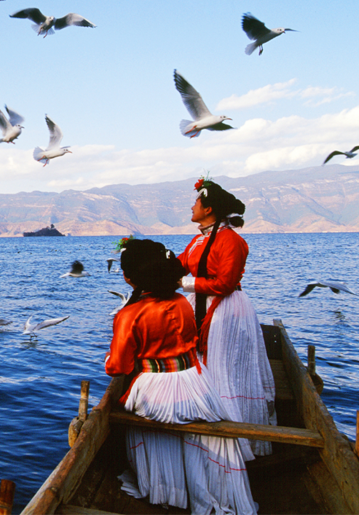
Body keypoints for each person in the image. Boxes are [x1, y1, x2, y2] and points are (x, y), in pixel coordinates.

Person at [106, 238, 256, 513]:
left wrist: (110, 357)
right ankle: (199, 488)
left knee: (135, 416)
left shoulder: (129, 315)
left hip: (156, 387)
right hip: (195, 381)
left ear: (128, 278)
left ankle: (165, 488)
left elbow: (118, 367)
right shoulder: (181, 302)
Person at [179, 177, 275, 458]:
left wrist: (186, 284)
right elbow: (182, 263)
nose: (192, 206)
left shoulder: (231, 240)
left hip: (225, 310)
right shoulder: (200, 239)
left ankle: (228, 440)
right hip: (201, 303)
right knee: (203, 362)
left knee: (222, 368)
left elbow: (225, 283)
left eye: (196, 202)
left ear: (208, 209)